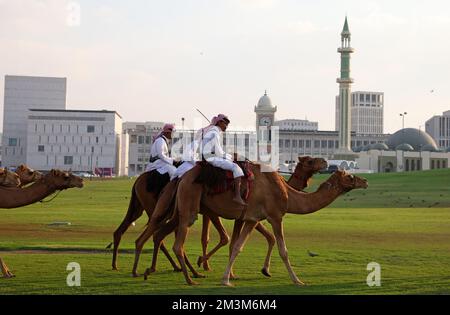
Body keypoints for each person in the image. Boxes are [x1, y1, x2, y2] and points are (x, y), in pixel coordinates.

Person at [201, 114, 247, 206]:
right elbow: (218, 152)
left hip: (210, 156)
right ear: (220, 122)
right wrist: (230, 157)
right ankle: (237, 196)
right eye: (225, 123)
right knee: (236, 167)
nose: (226, 126)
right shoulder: (214, 133)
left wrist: (228, 156)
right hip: (211, 157)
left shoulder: (214, 132)